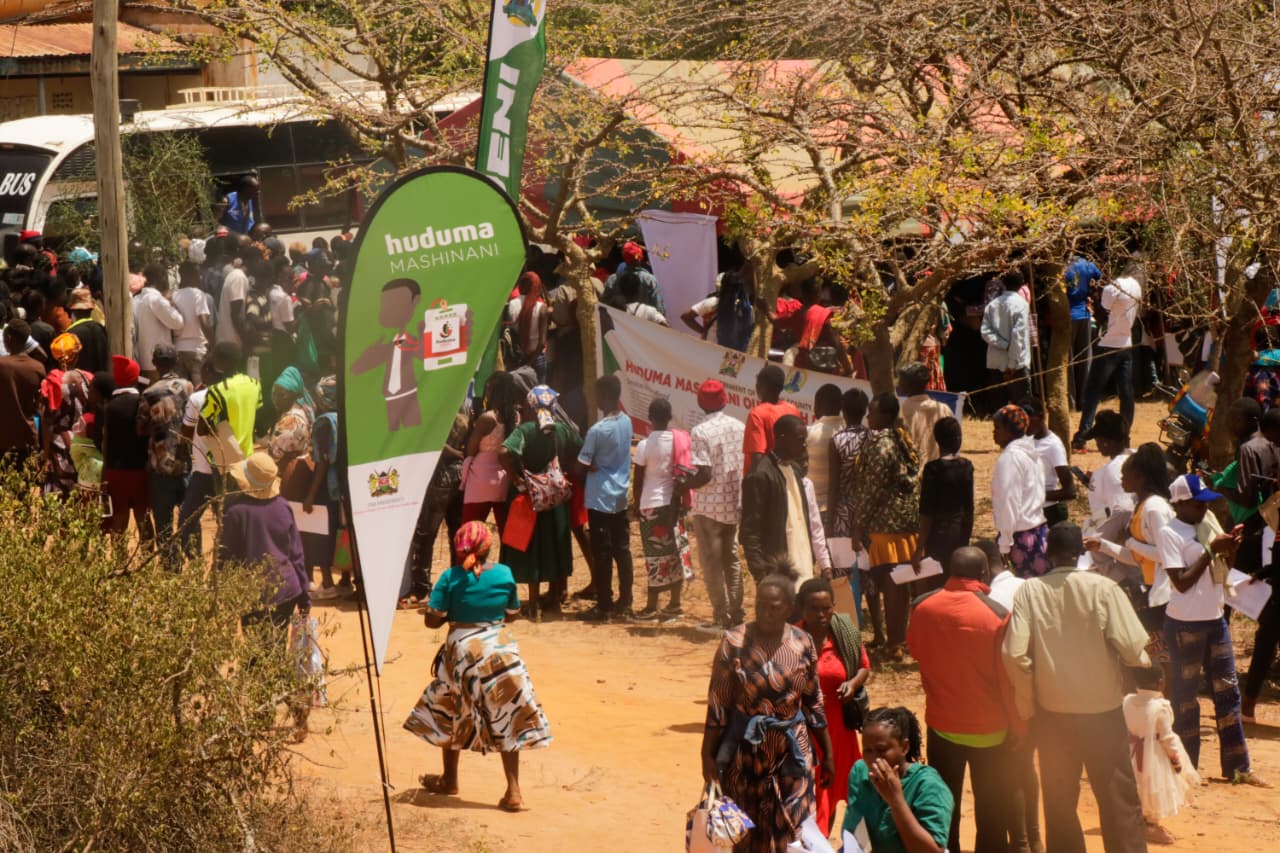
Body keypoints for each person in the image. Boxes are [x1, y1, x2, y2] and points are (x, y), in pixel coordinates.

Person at [1002, 523, 1150, 853]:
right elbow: (1132, 647)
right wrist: (1140, 663)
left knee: (1059, 804)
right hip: (1103, 713)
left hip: (1053, 716)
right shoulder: (1104, 589)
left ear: (1047, 554)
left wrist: (1027, 704)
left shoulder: (1029, 591)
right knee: (1118, 801)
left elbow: (1013, 654)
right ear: (1081, 552)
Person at [404, 522, 552, 812]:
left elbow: (432, 620)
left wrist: (448, 612)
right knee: (507, 711)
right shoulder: (505, 574)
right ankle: (514, 791)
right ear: (489, 547)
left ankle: (450, 779)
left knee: (451, 706)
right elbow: (511, 614)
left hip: (463, 650)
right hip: (501, 649)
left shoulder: (450, 577)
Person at [701, 571, 833, 853]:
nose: (765, 612)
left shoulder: (803, 643)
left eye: (774, 607)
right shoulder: (733, 643)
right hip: (745, 754)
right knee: (745, 830)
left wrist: (828, 753)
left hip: (792, 750)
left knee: (793, 827)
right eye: (760, 604)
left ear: (789, 608)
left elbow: (813, 702)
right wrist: (707, 755)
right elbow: (718, 705)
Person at [1155, 474, 1267, 786]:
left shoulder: (1209, 522)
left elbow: (1222, 570)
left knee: (1228, 693)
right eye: (1196, 504)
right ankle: (1187, 770)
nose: (1204, 509)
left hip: (1215, 619)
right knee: (1186, 698)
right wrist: (1209, 550)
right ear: (1179, 504)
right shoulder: (1169, 533)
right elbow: (1180, 582)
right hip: (1184, 622)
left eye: (1205, 503)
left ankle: (1238, 767)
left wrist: (1229, 547)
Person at [908, 546, 1019, 853]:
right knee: (992, 812)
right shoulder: (997, 614)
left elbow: (916, 650)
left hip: (942, 724)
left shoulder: (921, 606)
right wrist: (1018, 727)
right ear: (984, 574)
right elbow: (1007, 679)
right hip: (991, 729)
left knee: (943, 806)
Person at [497, 385, 582, 617]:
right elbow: (581, 450)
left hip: (529, 497)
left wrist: (516, 478)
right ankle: (555, 598)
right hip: (556, 498)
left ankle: (533, 603)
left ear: (531, 406)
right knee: (555, 543)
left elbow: (503, 452)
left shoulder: (524, 430)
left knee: (530, 545)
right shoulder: (562, 430)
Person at [796, 576, 870, 835]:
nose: (821, 614)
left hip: (841, 728)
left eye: (826, 608)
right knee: (815, 792)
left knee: (844, 788)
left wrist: (852, 683)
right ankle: (818, 841)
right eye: (814, 609)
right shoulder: (791, 639)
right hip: (806, 731)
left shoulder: (844, 633)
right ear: (801, 609)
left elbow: (864, 667)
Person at [1086, 443, 1176, 651]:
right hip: (1154, 591)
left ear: (1140, 477)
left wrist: (1129, 541)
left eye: (1125, 475)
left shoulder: (1155, 508)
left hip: (1166, 593)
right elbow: (1138, 558)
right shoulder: (1142, 506)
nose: (1121, 479)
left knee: (1163, 656)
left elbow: (1165, 555)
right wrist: (1102, 545)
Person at [850, 394, 920, 658]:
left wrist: (858, 526)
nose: (868, 417)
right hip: (906, 523)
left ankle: (894, 644)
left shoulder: (880, 446)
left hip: (885, 526)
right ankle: (902, 639)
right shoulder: (903, 440)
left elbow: (872, 490)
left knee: (891, 586)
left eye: (872, 412)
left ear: (885, 415)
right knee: (902, 586)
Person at [842, 706, 953, 853]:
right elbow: (853, 835)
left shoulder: (928, 785)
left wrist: (895, 800)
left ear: (904, 747)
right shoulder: (860, 772)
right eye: (867, 750)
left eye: (881, 750)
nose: (873, 759)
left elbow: (933, 851)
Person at [686, 379, 747, 631]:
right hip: (733, 503)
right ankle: (737, 613)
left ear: (700, 403)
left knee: (711, 563)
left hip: (709, 507)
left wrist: (683, 484)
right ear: (725, 400)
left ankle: (720, 617)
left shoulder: (700, 432)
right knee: (731, 559)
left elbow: (704, 474)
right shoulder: (739, 426)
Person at [576, 375, 634, 622]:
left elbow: (582, 465)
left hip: (600, 496)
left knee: (602, 551)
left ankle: (604, 605)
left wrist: (584, 468)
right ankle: (626, 600)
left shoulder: (597, 430)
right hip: (620, 494)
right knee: (622, 550)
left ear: (606, 396)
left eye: (598, 394)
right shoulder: (627, 422)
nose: (595, 399)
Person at [1123, 666, 1200, 846]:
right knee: (1153, 787)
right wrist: (1175, 760)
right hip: (1154, 756)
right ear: (1161, 682)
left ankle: (1138, 820)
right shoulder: (1161, 707)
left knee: (1136, 784)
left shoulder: (1127, 701)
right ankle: (1150, 824)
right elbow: (1167, 738)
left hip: (1131, 752)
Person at [632, 398, 693, 620]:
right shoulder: (679, 442)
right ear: (669, 418)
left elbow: (638, 479)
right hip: (674, 505)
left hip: (651, 505)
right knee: (674, 553)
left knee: (654, 557)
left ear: (650, 417)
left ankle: (651, 607)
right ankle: (674, 603)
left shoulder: (644, 445)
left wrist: (636, 504)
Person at [741, 415, 819, 583]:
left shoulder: (795, 470)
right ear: (782, 439)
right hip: (777, 571)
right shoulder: (760, 476)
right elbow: (750, 531)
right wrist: (761, 575)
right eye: (800, 439)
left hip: (803, 562)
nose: (804, 444)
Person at [1072, 264, 1142, 450]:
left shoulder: (1113, 287)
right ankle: (1124, 434)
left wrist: (1095, 297)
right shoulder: (1136, 285)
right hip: (1126, 343)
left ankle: (1082, 436)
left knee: (1093, 391)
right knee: (1126, 393)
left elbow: (1103, 311)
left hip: (1107, 344)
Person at [137, 345, 193, 570]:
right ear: (176, 360)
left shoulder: (150, 393)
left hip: (159, 466)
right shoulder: (188, 388)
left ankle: (172, 568)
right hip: (186, 463)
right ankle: (195, 560)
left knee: (164, 523)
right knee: (190, 519)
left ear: (154, 363)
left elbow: (140, 429)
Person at [990, 405, 1049, 578]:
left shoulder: (1010, 458)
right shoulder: (1032, 454)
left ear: (1010, 431)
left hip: (1020, 539)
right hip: (1039, 533)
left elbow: (1009, 501)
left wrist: (1005, 543)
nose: (994, 433)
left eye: (997, 428)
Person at [829, 388, 872, 624]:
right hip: (869, 512)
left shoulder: (837, 440)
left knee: (843, 571)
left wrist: (828, 523)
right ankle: (876, 627)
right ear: (866, 411)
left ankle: (847, 622)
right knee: (869, 570)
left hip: (844, 511)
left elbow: (835, 485)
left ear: (843, 411)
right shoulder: (873, 438)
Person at [915, 417, 973, 580]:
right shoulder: (966, 466)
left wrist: (919, 548)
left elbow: (926, 511)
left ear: (937, 440)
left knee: (937, 582)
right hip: (959, 533)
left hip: (937, 536)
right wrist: (966, 538)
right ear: (959, 439)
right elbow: (969, 509)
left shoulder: (932, 469)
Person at [101, 356, 152, 539]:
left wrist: (104, 472)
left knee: (119, 518)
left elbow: (105, 441)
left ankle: (119, 564)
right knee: (142, 517)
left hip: (115, 470)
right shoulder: (142, 402)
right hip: (139, 469)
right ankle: (148, 560)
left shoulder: (109, 407)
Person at [462, 371, 519, 529]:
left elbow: (471, 449)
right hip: (503, 479)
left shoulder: (487, 418)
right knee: (506, 531)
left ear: (495, 392)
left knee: (470, 530)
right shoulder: (515, 416)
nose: (485, 392)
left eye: (488, 388)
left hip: (480, 479)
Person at [38, 333, 91, 496]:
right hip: (84, 441)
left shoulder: (51, 382)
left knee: (58, 494)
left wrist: (45, 455)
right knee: (82, 492)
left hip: (59, 443)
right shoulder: (88, 378)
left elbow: (47, 422)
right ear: (75, 356)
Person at [199, 341, 262, 465]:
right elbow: (256, 416)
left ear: (223, 361)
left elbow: (201, 429)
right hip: (247, 455)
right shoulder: (254, 384)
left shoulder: (217, 391)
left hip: (225, 459)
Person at [980, 270, 1032, 407]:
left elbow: (985, 332)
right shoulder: (1022, 305)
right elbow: (1017, 336)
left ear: (1003, 284)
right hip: (1017, 364)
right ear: (1021, 285)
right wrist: (1012, 365)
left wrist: (1002, 344)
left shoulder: (992, 305)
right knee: (1022, 406)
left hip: (996, 362)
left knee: (1000, 407)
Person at [1023, 397, 1076, 526]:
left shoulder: (1053, 446)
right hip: (1028, 511)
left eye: (1028, 420)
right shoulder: (1026, 440)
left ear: (1041, 417)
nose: (1024, 424)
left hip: (1049, 513)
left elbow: (1070, 491)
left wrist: (1037, 496)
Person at [0, 319, 47, 464]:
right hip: (28, 437)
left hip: (3, 438)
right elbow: (40, 405)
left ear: (8, 338)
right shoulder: (38, 368)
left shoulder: (2, 365)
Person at [742, 364, 801, 472]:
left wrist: (753, 486)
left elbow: (757, 457)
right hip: (789, 478)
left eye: (758, 383)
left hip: (767, 482)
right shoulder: (793, 410)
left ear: (761, 386)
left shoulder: (757, 414)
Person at [1081, 410, 1135, 526]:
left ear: (1105, 441)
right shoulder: (1137, 456)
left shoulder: (1112, 470)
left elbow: (1122, 513)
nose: (1097, 445)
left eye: (1097, 440)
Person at [132, 262, 184, 380]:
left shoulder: (136, 299)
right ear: (162, 278)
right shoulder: (155, 299)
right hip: (158, 365)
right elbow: (178, 322)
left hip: (140, 362)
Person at [1065, 255, 1102, 409]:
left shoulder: (1062, 268)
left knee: (1068, 361)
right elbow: (1099, 276)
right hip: (1084, 314)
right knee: (1085, 359)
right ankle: (1085, 400)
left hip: (1068, 316)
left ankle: (1071, 402)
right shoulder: (1087, 265)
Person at [899, 362, 952, 464]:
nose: (899, 383)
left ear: (908, 384)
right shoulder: (944, 409)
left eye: (902, 380)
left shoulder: (900, 411)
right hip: (937, 471)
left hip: (911, 473)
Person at [806, 382, 844, 519]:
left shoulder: (809, 434)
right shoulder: (848, 432)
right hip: (843, 508)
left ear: (817, 405)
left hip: (815, 507)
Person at [172, 260, 214, 382]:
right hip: (197, 351)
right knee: (199, 390)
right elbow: (204, 322)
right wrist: (214, 344)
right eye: (197, 274)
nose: (200, 277)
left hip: (179, 350)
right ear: (191, 275)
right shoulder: (198, 294)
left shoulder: (174, 295)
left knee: (182, 392)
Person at [266, 366, 314, 465]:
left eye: (281, 395)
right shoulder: (304, 410)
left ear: (294, 394)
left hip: (284, 475)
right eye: (274, 393)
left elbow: (273, 458)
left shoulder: (290, 422)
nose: (276, 399)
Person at [507, 271, 549, 381]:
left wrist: (524, 363)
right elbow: (542, 342)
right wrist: (530, 363)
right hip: (537, 358)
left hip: (517, 358)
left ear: (521, 285)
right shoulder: (542, 308)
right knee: (539, 395)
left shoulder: (512, 304)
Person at [66, 288, 109, 374]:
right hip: (99, 382)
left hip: (81, 383)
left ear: (73, 310)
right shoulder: (100, 328)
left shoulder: (71, 333)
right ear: (91, 310)